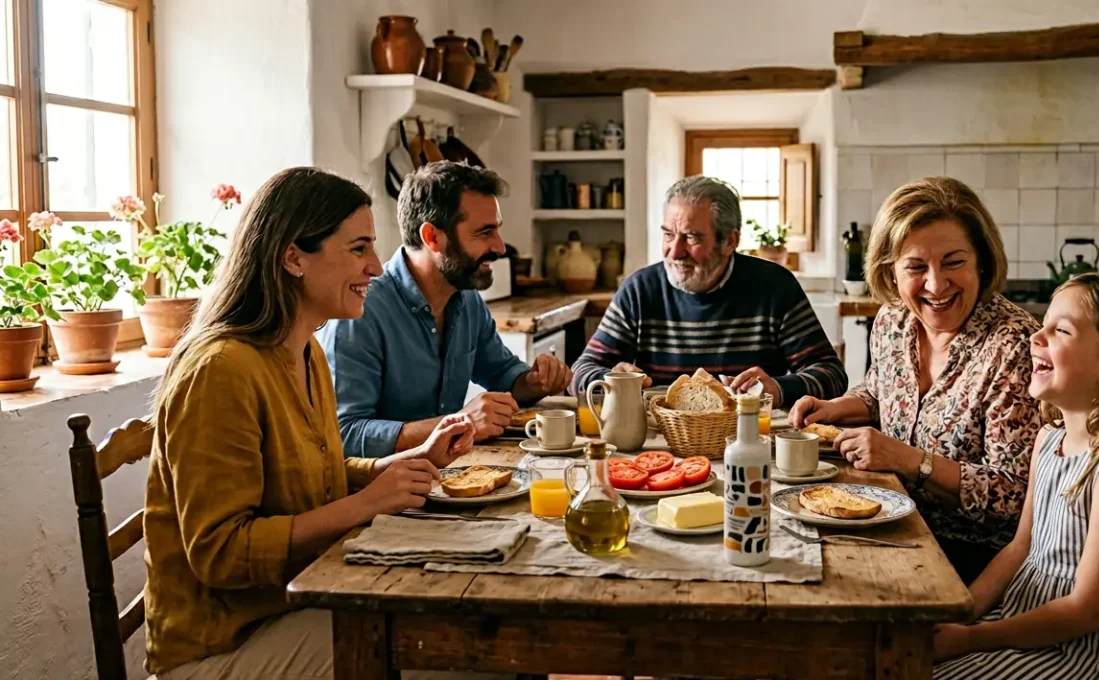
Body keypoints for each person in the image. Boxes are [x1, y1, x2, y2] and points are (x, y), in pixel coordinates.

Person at [143, 167, 509, 679]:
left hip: (296, 601)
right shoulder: (220, 371)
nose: (378, 267)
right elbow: (219, 553)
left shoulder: (304, 349)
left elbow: (316, 467)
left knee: (478, 620)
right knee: (471, 653)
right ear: (293, 257)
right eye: (358, 248)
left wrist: (397, 464)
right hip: (224, 644)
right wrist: (364, 504)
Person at [932, 273, 1099, 679]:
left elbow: (1087, 610)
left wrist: (969, 640)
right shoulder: (1048, 440)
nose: (1036, 337)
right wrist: (960, 615)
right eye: (1043, 325)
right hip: (1034, 620)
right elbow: (1019, 549)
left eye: (1061, 330)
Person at [788, 176, 1040, 582]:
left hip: (976, 557)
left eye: (954, 262)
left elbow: (1012, 495)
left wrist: (907, 460)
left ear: (982, 260)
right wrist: (835, 409)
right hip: (892, 518)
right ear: (891, 270)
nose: (937, 284)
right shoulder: (893, 319)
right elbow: (880, 392)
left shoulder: (1013, 345)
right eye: (916, 267)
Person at [319, 162, 571, 458]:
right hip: (383, 494)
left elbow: (502, 374)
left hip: (451, 476)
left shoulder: (465, 296)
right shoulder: (361, 311)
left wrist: (535, 381)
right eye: (485, 232)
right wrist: (459, 423)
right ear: (432, 237)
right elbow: (345, 434)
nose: (501, 247)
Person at [570, 175, 847, 408]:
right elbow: (581, 372)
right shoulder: (639, 290)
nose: (675, 252)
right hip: (658, 443)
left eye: (691, 237)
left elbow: (832, 376)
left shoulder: (775, 287)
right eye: (668, 235)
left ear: (730, 241)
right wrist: (610, 379)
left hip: (748, 438)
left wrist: (777, 388)